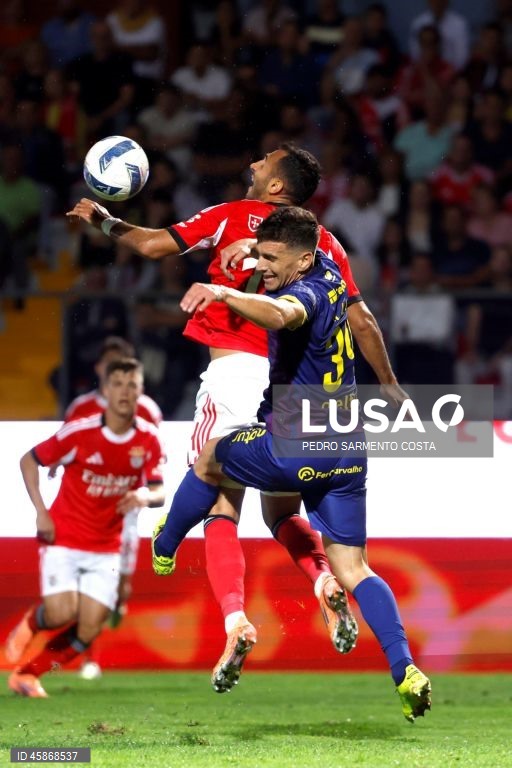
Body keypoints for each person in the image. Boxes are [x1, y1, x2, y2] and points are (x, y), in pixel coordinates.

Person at [67, 143, 407, 658]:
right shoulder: (321, 243)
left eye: (263, 162)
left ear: (275, 185)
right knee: (279, 513)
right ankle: (322, 580)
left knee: (220, 500)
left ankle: (234, 619)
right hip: (293, 392)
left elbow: (156, 245)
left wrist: (107, 222)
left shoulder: (230, 216)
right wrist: (388, 381)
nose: (251, 164)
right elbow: (361, 318)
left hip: (232, 375)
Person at [152, 207, 432, 722]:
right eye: (262, 254)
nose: (264, 265)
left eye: (273, 258)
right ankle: (405, 669)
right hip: (346, 447)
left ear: (302, 259)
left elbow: (283, 315)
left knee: (214, 457)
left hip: (294, 441)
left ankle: (166, 544)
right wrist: (251, 254)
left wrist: (223, 292)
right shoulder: (327, 269)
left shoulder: (298, 295)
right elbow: (333, 291)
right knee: (353, 567)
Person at [5, 358, 166, 698]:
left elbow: (159, 491)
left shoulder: (149, 440)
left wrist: (141, 495)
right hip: (64, 536)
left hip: (107, 545)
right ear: (105, 391)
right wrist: (40, 512)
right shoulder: (81, 430)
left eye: (132, 384)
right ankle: (33, 622)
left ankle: (29, 674)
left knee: (89, 628)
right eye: (118, 384)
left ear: (141, 391)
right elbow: (29, 460)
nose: (125, 391)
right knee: (63, 612)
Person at [62, 336, 163, 678]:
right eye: (111, 367)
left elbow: (152, 460)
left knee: (120, 585)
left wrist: (143, 494)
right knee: (86, 584)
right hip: (88, 514)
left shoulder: (148, 411)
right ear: (100, 372)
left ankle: (119, 600)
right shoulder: (80, 408)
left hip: (125, 512)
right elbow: (68, 452)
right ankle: (90, 658)